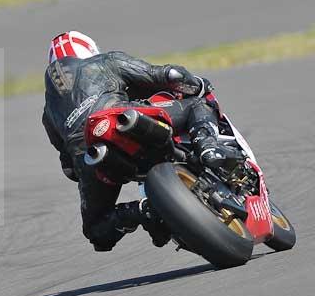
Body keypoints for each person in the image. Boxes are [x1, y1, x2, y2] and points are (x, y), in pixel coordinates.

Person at [42, 31, 240, 252]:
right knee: (196, 104)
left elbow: (69, 169)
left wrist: (88, 171)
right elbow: (169, 75)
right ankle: (208, 147)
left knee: (97, 231)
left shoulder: (49, 111)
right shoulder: (104, 61)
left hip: (92, 155)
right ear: (88, 50)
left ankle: (142, 210)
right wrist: (197, 85)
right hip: (125, 118)